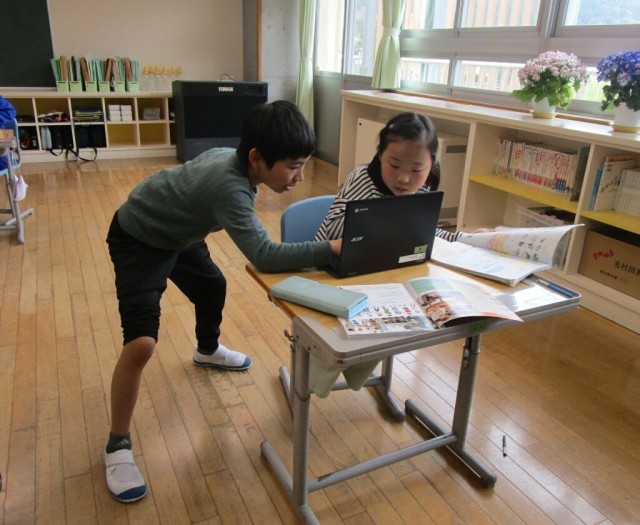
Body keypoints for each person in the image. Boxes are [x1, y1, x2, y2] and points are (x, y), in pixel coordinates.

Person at [103, 100, 341, 503]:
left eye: (303, 165)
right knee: (141, 343)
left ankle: (207, 350)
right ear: (256, 157)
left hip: (178, 233)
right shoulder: (230, 186)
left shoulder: (232, 160)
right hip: (139, 238)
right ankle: (117, 445)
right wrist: (330, 249)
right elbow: (264, 255)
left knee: (212, 285)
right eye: (293, 166)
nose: (299, 177)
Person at [315, 112, 463, 243]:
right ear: (380, 154)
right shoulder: (363, 179)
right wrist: (386, 220)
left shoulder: (423, 188)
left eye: (416, 169)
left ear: (432, 164)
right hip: (330, 261)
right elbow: (332, 229)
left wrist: (462, 239)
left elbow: (426, 231)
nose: (403, 178)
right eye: (394, 165)